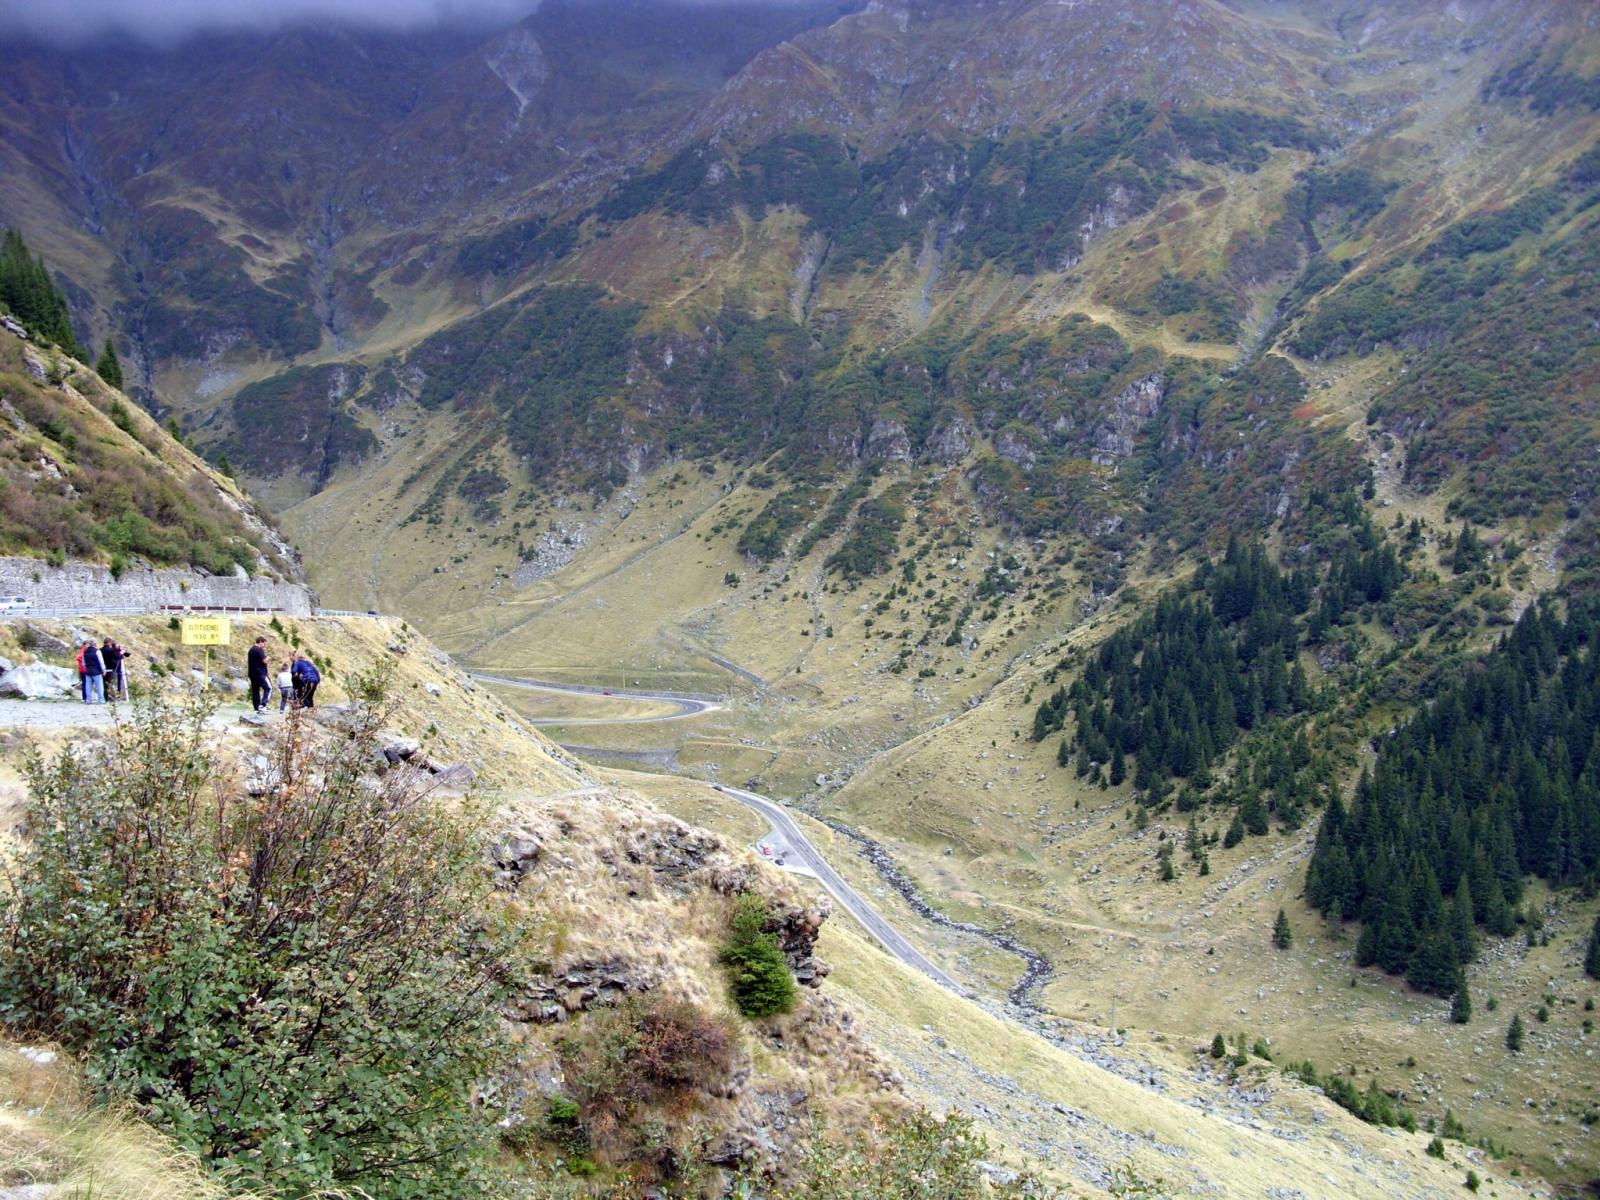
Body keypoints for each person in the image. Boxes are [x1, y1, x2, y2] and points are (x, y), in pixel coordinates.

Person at [247, 635, 272, 712]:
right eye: (264, 644)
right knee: (268, 688)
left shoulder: (251, 650)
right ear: (260, 642)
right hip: (260, 673)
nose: (264, 646)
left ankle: (256, 707)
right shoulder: (258, 650)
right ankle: (263, 705)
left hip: (252, 673)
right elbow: (264, 660)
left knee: (255, 691)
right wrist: (268, 658)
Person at [82, 639, 105, 704]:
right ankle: (101, 700)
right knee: (99, 687)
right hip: (97, 671)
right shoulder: (97, 651)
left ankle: (88, 700)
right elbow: (101, 662)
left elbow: (83, 663)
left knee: (88, 687)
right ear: (95, 644)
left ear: (89, 644)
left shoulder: (85, 652)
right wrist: (104, 670)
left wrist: (86, 668)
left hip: (88, 671)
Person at [100, 637, 124, 701]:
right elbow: (117, 657)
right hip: (111, 669)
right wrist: (121, 654)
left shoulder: (100, 650)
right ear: (109, 643)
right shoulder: (111, 650)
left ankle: (106, 698)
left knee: (104, 684)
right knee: (111, 684)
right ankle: (112, 697)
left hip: (103, 670)